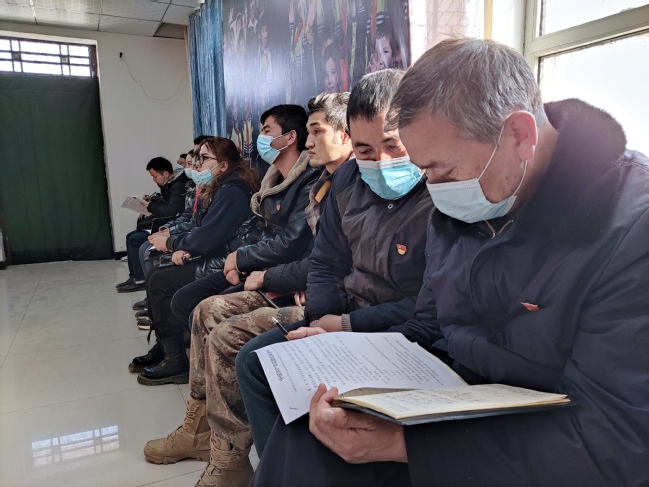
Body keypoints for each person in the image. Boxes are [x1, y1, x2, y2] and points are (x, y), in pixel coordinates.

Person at [248, 38, 649, 487]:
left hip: (545, 445)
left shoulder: (631, 229)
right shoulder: (466, 205)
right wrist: (343, 350)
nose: (434, 189)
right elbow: (429, 326)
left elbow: (617, 439)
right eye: (425, 170)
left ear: (520, 136)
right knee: (309, 432)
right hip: (458, 405)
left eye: (444, 171)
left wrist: (406, 446)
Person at [141, 91, 354, 487]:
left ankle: (239, 457)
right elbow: (319, 256)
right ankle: (205, 432)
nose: (310, 143)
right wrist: (259, 267)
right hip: (282, 277)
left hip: (299, 287)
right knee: (201, 309)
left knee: (222, 329)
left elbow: (313, 254)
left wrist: (267, 273)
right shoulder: (323, 182)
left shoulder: (332, 182)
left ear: (346, 135)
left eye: (317, 132)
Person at [237, 69, 434, 458]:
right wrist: (320, 323)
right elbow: (325, 262)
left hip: (398, 334)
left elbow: (430, 307)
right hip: (342, 319)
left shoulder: (438, 194)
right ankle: (277, 465)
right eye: (365, 151)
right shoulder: (346, 181)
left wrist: (345, 326)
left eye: (393, 146)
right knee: (255, 362)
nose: (380, 162)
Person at [165, 104, 321, 338]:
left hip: (277, 269)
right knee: (184, 300)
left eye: (267, 131)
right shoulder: (273, 181)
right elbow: (259, 232)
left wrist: (241, 259)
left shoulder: (309, 181)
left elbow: (291, 242)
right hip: (257, 262)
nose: (261, 138)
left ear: (290, 137)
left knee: (199, 307)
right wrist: (240, 260)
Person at [130, 137, 260, 385]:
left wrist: (173, 243)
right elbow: (203, 229)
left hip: (228, 262)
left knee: (160, 280)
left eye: (204, 158)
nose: (197, 164)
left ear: (223, 165)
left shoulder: (233, 192)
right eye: (197, 158)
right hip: (218, 254)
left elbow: (208, 236)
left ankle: (175, 359)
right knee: (156, 273)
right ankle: (167, 347)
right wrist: (183, 246)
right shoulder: (221, 187)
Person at [117, 157, 189, 293]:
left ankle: (141, 280)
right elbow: (169, 204)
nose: (154, 180)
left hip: (171, 226)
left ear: (165, 174)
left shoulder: (178, 185)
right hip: (168, 224)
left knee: (135, 239)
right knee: (132, 236)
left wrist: (150, 207)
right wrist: (153, 200)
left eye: (155, 176)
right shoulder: (171, 184)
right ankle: (135, 277)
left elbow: (172, 211)